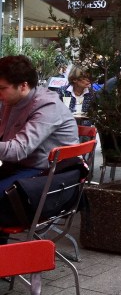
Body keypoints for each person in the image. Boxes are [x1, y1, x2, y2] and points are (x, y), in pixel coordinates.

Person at [0, 56, 79, 194]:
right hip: (20, 164)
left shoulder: (48, 105)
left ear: (23, 86)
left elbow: (18, 150)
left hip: (51, 172)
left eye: (2, 88)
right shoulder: (11, 100)